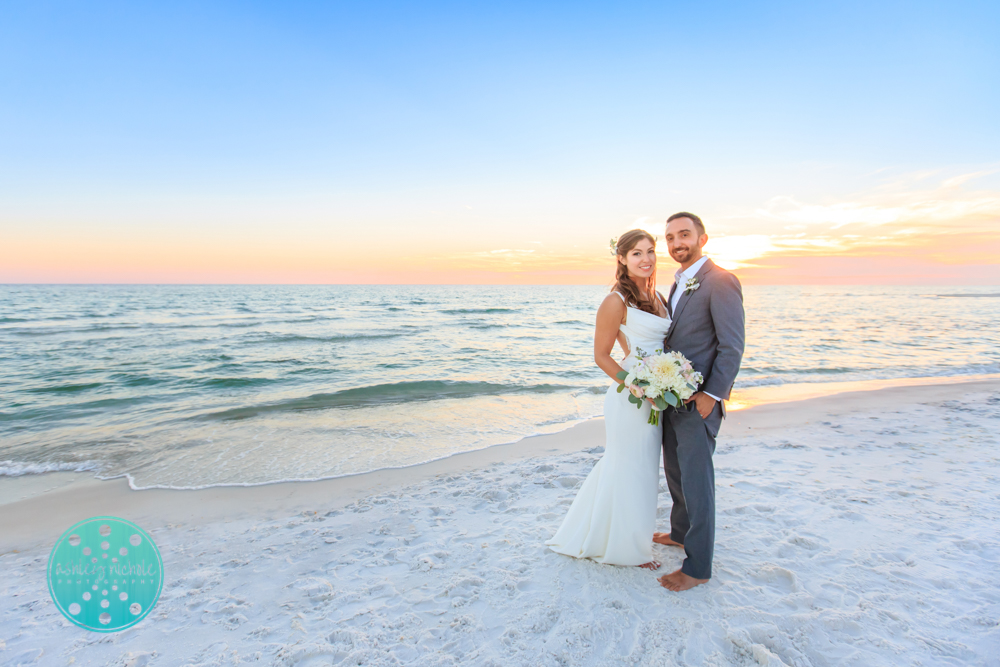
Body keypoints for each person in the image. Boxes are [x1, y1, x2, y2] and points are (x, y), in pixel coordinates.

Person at [546, 229, 671, 569]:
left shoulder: (657, 296)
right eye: (636, 254)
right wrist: (632, 383)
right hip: (630, 396)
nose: (646, 259)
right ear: (621, 258)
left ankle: (635, 537)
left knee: (645, 469)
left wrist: (669, 378)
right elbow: (601, 355)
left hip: (657, 392)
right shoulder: (615, 301)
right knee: (627, 466)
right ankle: (625, 549)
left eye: (650, 252)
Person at [654, 212, 745, 592]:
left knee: (697, 481)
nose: (678, 243)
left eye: (685, 234)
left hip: (700, 401)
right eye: (671, 237)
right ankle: (680, 532)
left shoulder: (720, 281)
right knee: (675, 473)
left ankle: (698, 567)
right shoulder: (677, 283)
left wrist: (711, 395)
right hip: (672, 398)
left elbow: (731, 345)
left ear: (702, 238)